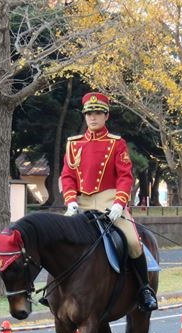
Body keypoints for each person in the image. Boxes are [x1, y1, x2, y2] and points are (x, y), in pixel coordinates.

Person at [60, 92, 157, 312]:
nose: (93, 117)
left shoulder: (116, 144)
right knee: (58, 238)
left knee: (133, 242)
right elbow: (67, 176)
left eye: (97, 113)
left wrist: (119, 203)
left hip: (109, 198)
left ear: (106, 116)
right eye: (89, 114)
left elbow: (125, 177)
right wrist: (70, 200)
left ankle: (144, 290)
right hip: (81, 201)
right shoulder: (73, 144)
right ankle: (57, 291)